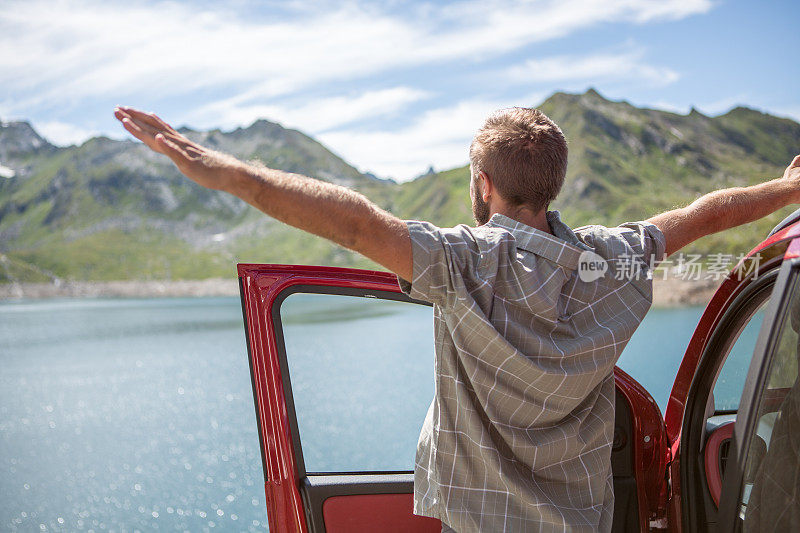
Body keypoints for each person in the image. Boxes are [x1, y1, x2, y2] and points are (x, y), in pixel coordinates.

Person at [114, 105, 800, 532]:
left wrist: (230, 173)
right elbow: (703, 216)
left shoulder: (457, 263)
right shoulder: (611, 260)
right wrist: (787, 187)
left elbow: (353, 219)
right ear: (552, 184)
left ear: (484, 185)